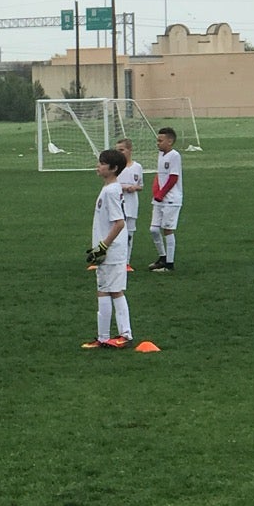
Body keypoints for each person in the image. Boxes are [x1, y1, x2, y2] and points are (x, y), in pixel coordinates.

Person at [83, 149, 133, 350]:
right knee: (104, 290)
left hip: (112, 249)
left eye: (103, 163)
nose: (99, 166)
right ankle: (103, 337)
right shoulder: (110, 188)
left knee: (115, 291)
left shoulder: (111, 191)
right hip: (108, 249)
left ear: (113, 168)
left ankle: (125, 335)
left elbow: (119, 223)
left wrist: (103, 246)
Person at [148, 127, 183, 272]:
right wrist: (156, 191)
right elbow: (160, 175)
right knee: (154, 229)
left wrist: (162, 194)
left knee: (167, 230)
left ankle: (169, 264)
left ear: (170, 141)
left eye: (160, 140)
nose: (158, 143)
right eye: (157, 140)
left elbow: (173, 178)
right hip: (159, 199)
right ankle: (162, 257)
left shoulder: (174, 156)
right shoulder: (161, 155)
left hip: (171, 199)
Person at [116, 137, 144, 270]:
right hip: (117, 204)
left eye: (121, 150)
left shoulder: (137, 167)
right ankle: (114, 259)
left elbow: (141, 186)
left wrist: (134, 188)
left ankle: (126, 262)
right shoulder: (115, 167)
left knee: (129, 234)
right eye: (117, 150)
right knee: (116, 233)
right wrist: (124, 187)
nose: (119, 153)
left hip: (132, 204)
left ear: (129, 150)